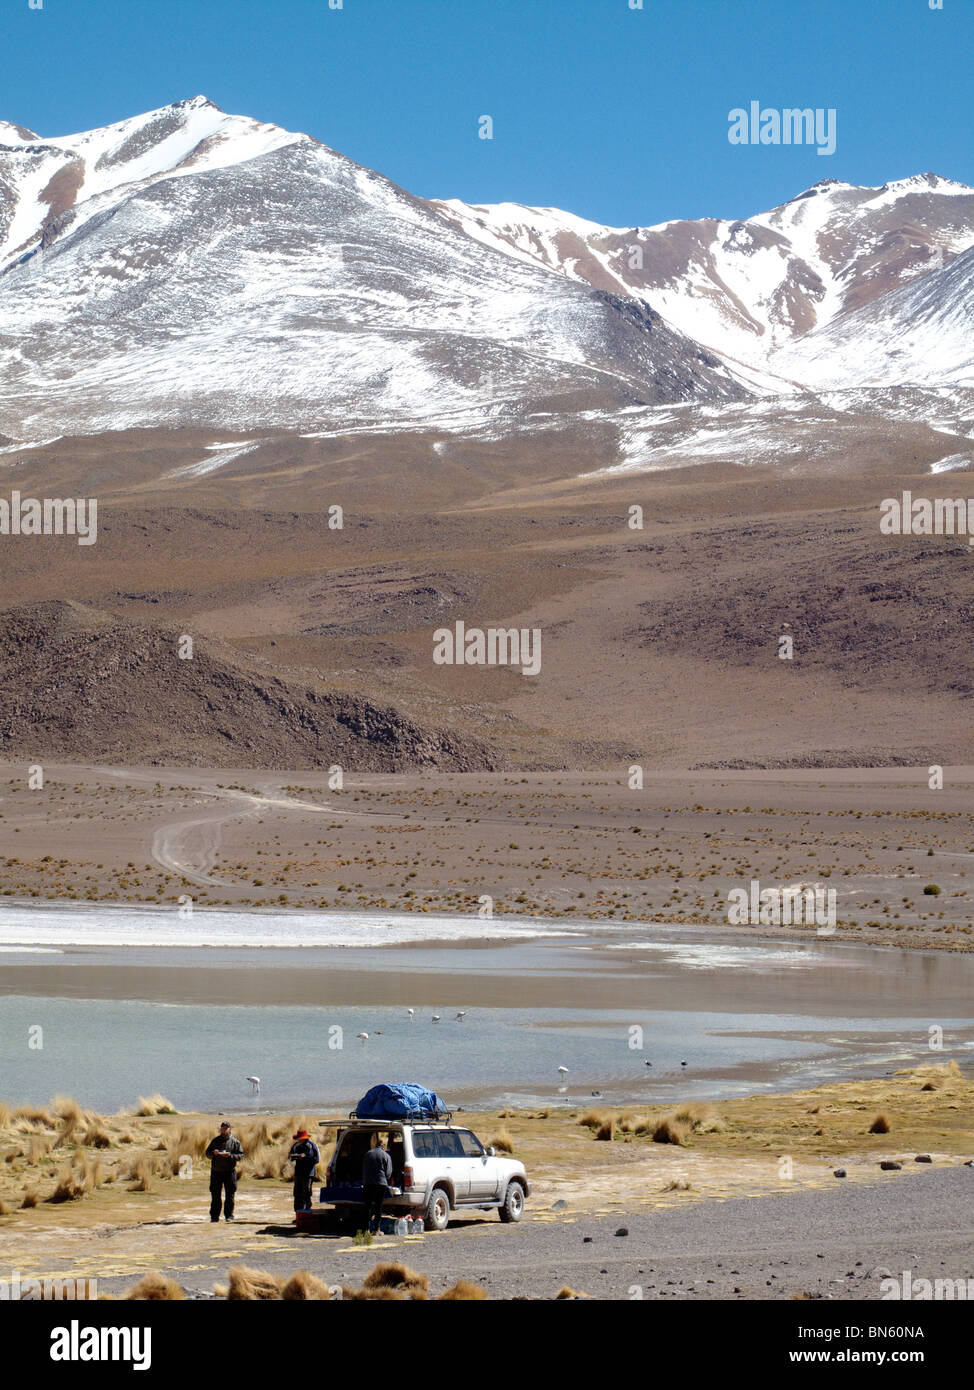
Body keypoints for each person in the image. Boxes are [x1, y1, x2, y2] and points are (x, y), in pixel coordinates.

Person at [205, 1120, 243, 1222]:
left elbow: (240, 1155)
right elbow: (207, 1154)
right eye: (222, 1128)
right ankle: (214, 1216)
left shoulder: (235, 1142)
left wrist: (230, 1155)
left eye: (226, 1128)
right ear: (220, 1129)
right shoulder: (215, 1141)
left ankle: (229, 1215)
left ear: (230, 1129)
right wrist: (214, 1153)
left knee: (230, 1194)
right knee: (215, 1194)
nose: (224, 1129)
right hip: (216, 1172)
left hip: (229, 1172)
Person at [361, 1132, 392, 1234]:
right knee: (378, 1206)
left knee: (367, 1206)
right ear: (383, 1146)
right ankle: (376, 1229)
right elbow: (388, 1172)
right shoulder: (386, 1155)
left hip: (368, 1183)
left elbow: (364, 1169)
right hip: (380, 1183)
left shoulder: (368, 1154)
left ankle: (366, 1229)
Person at [288, 1128, 321, 1218]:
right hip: (298, 1173)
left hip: (308, 1174)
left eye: (300, 1138)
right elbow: (290, 1157)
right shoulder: (296, 1146)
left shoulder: (312, 1146)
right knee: (297, 1194)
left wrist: (305, 1158)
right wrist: (293, 1157)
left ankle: (306, 1215)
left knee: (306, 1193)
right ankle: (298, 1215)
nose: (299, 1140)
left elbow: (316, 1159)